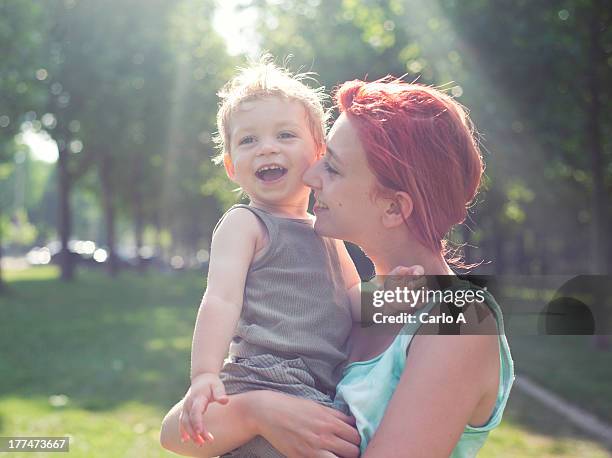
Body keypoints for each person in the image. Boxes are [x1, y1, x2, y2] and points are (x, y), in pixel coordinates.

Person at [161, 77, 514, 457]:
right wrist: (254, 411)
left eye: (332, 166)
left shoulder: (459, 321)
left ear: (394, 207)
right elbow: (175, 434)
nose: (311, 176)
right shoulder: (364, 305)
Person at [164, 58, 367, 457]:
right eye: (248, 141)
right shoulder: (246, 223)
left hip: (321, 386)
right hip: (263, 377)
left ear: (320, 153)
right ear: (231, 167)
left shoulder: (327, 231)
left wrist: (403, 292)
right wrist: (205, 373)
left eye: (285, 134)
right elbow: (220, 299)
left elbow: (355, 298)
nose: (267, 148)